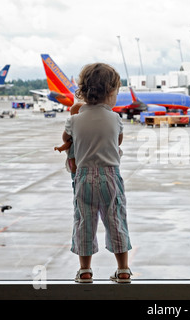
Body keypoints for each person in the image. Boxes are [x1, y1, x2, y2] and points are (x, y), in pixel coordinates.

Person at [62, 62, 132, 283]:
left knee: (84, 222)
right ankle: (122, 270)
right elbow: (118, 141)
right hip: (110, 176)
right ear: (111, 92)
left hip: (83, 178)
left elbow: (67, 139)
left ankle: (85, 270)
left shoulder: (74, 119)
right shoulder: (115, 118)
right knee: (116, 220)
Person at [54, 102, 85, 177]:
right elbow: (67, 143)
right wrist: (61, 148)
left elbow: (66, 141)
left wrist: (61, 147)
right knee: (74, 165)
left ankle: (74, 173)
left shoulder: (74, 126)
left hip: (77, 154)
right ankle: (74, 171)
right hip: (76, 153)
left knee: (75, 166)